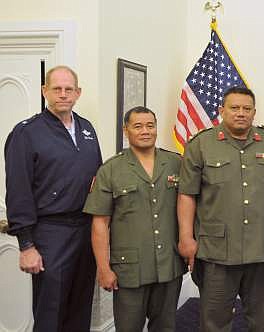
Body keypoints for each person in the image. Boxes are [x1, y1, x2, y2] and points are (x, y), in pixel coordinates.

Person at [177, 86, 264, 332]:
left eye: (246, 109)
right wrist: (185, 237)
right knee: (214, 322)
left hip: (262, 247)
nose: (241, 113)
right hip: (217, 250)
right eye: (234, 108)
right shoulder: (201, 144)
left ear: (254, 112)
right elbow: (187, 195)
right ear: (221, 111)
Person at [4, 65, 102, 331]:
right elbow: (18, 190)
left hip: (85, 230)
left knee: (80, 309)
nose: (62, 94)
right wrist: (26, 245)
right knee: (51, 313)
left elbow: (98, 179)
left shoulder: (87, 129)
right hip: (50, 233)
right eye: (56, 89)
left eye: (68, 89)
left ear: (78, 93)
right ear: (44, 91)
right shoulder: (27, 133)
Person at [83, 106, 186, 331]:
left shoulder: (176, 163)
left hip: (169, 265)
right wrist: (103, 268)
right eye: (137, 126)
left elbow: (189, 210)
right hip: (129, 269)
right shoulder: (110, 170)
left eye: (150, 125)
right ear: (126, 130)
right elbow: (100, 223)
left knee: (166, 327)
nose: (145, 131)